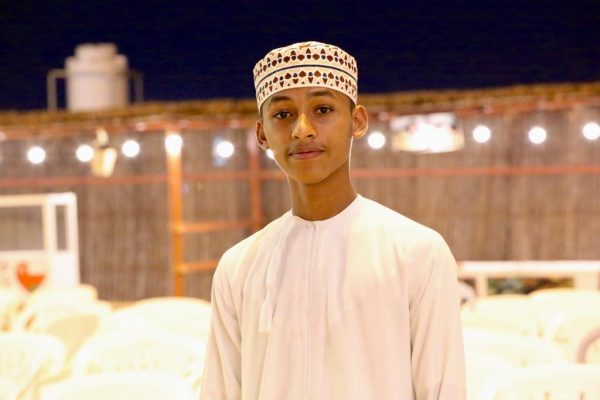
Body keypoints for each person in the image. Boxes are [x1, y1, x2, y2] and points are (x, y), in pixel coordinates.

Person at [201, 41, 466, 400]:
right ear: (262, 134)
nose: (302, 129)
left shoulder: (417, 253)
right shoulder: (239, 267)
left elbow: (443, 391)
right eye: (283, 114)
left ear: (357, 122)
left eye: (323, 109)